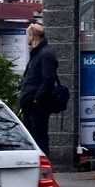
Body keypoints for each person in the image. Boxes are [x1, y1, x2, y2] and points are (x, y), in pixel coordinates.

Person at [19, 22, 60, 156]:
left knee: (39, 138)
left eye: (27, 35)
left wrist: (37, 99)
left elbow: (48, 79)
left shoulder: (45, 53)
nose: (27, 39)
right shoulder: (38, 53)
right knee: (31, 138)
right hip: (31, 104)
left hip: (38, 105)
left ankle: (42, 168)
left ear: (32, 36)